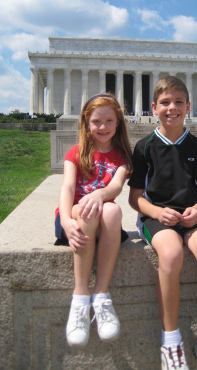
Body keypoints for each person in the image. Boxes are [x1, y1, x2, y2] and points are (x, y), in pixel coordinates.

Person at [128, 76, 197, 370]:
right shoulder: (144, 147)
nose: (172, 108)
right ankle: (171, 342)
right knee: (170, 253)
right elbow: (135, 199)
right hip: (156, 218)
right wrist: (156, 213)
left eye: (178, 102)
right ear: (154, 107)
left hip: (191, 216)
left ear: (189, 106)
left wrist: (196, 209)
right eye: (165, 103)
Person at [56, 93, 132, 349]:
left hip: (104, 222)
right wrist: (66, 220)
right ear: (86, 124)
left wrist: (99, 194)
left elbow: (116, 186)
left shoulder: (121, 156)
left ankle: (101, 295)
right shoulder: (75, 152)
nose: (103, 127)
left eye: (109, 121)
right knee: (88, 209)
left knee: (111, 210)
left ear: (118, 123)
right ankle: (80, 297)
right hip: (75, 219)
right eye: (97, 121)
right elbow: (67, 187)